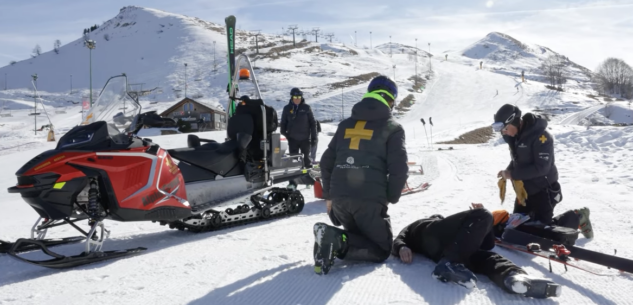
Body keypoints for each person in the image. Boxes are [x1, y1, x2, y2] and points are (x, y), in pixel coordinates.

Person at [313, 75, 408, 275]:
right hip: (369, 201)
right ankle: (335, 240)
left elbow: (326, 162)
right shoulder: (393, 127)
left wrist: (329, 196)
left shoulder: (345, 124)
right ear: (391, 100)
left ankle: (332, 241)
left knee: (357, 235)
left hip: (339, 201)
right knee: (382, 249)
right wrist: (391, 197)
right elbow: (399, 169)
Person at [392, 204, 562, 299]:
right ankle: (450, 263)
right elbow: (399, 238)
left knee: (488, 257)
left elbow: (487, 246)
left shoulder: (459, 239)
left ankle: (512, 277)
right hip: (439, 242)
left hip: (449, 252)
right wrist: (402, 246)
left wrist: (486, 227)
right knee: (483, 214)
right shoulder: (423, 223)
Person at [493, 104, 592, 238]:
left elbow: (542, 168)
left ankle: (578, 217)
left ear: (515, 121)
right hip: (525, 191)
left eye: (505, 128)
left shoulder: (541, 137)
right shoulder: (515, 137)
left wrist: (512, 174)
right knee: (518, 227)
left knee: (543, 233)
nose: (504, 133)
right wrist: (508, 170)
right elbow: (518, 160)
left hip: (543, 190)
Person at [280, 88, 317, 168]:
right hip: (292, 139)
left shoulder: (306, 108)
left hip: (305, 139)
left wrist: (314, 137)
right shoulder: (287, 108)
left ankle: (308, 178)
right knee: (293, 163)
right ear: (292, 97)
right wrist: (284, 136)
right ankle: (294, 180)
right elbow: (283, 123)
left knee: (307, 161)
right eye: (295, 97)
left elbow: (313, 123)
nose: (297, 99)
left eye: (299, 97)